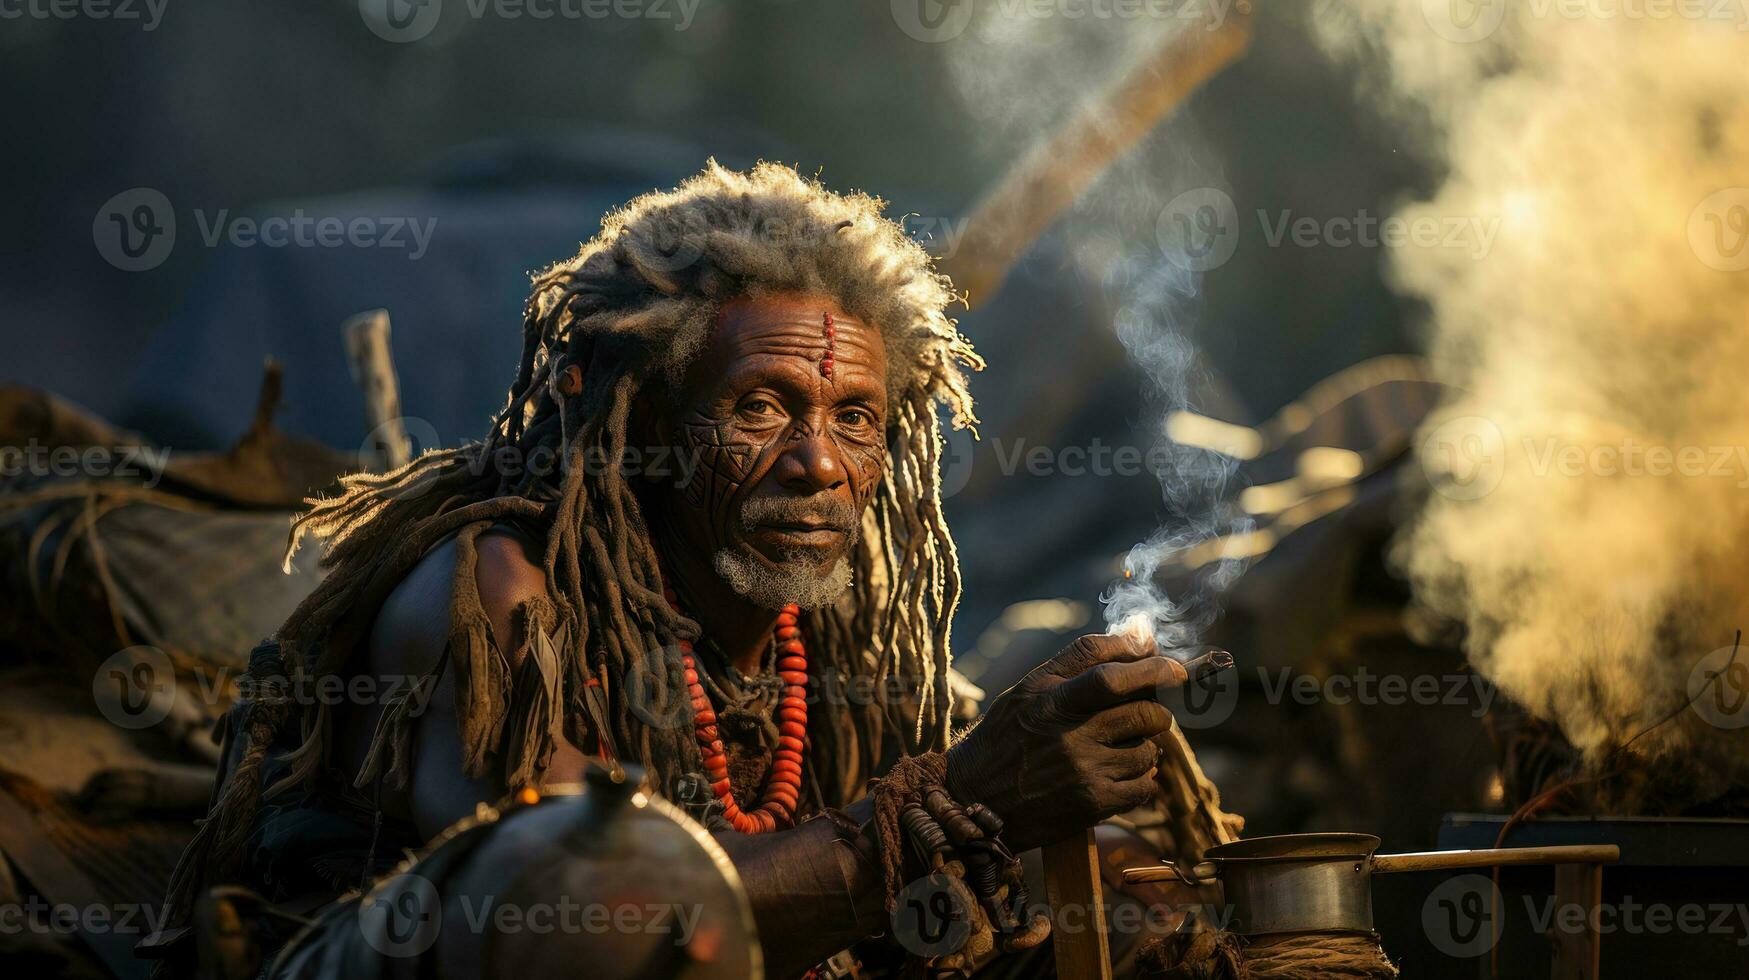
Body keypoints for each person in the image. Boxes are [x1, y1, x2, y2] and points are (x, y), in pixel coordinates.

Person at [160, 161, 1186, 977]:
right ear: (636, 417)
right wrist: (967, 799)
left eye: (854, 418)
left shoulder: (834, 632)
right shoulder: (499, 597)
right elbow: (598, 919)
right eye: (762, 405)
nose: (819, 462)